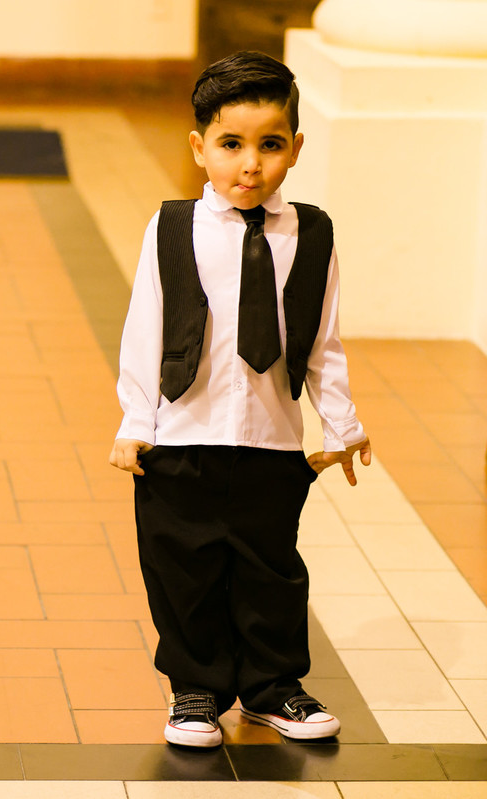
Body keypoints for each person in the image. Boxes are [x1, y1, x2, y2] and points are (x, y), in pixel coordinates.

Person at [108, 50, 372, 749]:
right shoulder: (171, 230)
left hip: (271, 438)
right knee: (182, 567)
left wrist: (342, 423)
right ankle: (195, 691)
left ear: (295, 148)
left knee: (270, 567)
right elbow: (146, 329)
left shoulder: (311, 236)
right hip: (182, 436)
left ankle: (271, 686)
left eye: (270, 145)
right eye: (231, 145)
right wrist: (137, 421)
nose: (249, 164)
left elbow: (322, 339)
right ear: (200, 148)